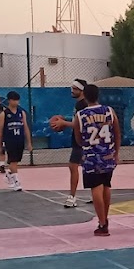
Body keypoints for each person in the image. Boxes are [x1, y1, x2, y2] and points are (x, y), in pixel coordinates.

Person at [73, 83, 121, 236]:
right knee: (106, 186)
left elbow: (78, 139)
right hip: (108, 154)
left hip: (91, 156)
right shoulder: (109, 111)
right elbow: (118, 133)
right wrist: (116, 152)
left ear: (85, 96)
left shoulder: (80, 115)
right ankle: (104, 219)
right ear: (98, 95)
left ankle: (102, 223)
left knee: (96, 188)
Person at [48, 79, 89, 207]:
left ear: (81, 91)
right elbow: (77, 121)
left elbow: (81, 125)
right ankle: (95, 192)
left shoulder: (83, 105)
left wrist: (63, 123)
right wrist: (65, 119)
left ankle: (72, 197)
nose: (72, 90)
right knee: (88, 168)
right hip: (80, 140)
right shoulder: (79, 104)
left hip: (82, 141)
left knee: (73, 166)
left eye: (75, 88)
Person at [1, 91, 32, 191]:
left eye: (17, 100)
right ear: (9, 100)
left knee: (16, 161)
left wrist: (29, 142)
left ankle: (9, 175)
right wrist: (0, 144)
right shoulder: (4, 114)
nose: (16, 102)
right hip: (10, 140)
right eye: (14, 100)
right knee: (13, 160)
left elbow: (26, 128)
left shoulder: (21, 113)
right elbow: (0, 130)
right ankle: (16, 181)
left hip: (20, 140)